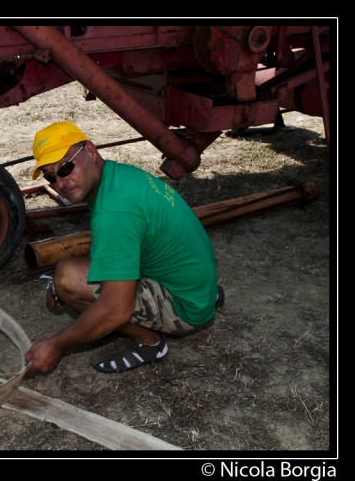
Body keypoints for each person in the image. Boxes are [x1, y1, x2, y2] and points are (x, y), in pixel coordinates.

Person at [24, 121, 223, 378]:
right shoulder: (118, 176)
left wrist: (56, 346)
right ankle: (207, 294)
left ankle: (150, 344)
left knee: (68, 279)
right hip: (195, 282)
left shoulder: (114, 210)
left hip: (188, 306)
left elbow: (116, 309)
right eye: (51, 176)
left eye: (66, 167)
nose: (61, 181)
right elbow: (115, 248)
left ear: (91, 151)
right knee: (69, 272)